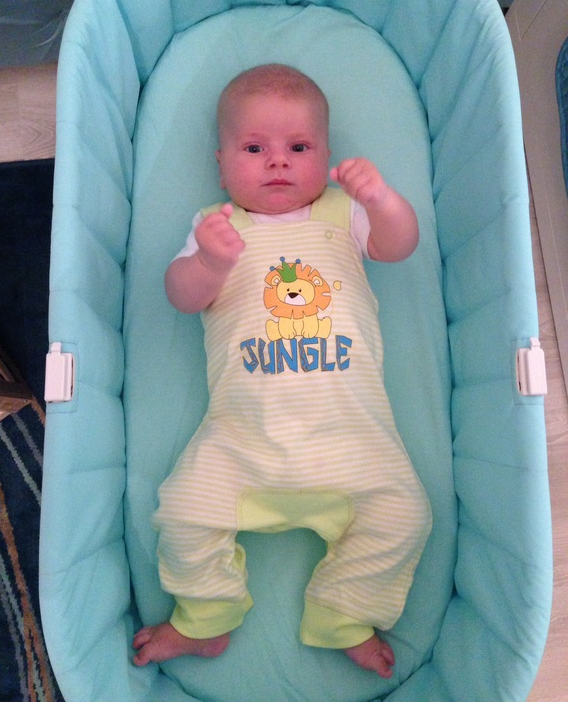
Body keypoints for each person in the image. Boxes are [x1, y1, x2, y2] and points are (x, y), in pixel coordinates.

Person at [133, 64, 432, 678]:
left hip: (352, 440)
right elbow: (180, 296)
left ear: (326, 155)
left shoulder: (342, 214)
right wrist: (209, 264)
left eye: (298, 147)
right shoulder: (218, 228)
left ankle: (344, 613)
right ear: (221, 164)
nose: (277, 162)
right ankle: (205, 618)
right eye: (254, 149)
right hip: (243, 440)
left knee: (404, 515)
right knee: (183, 512)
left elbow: (399, 244)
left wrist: (381, 200)